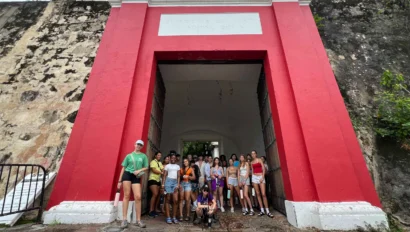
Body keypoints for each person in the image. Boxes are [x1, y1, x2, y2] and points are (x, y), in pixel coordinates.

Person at [118, 139, 148, 228]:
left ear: (142, 147)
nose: (138, 146)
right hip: (127, 175)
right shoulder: (129, 156)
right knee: (126, 196)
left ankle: (138, 220)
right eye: (137, 144)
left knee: (138, 197)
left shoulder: (143, 156)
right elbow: (123, 168)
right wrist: (119, 181)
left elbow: (146, 167)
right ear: (134, 145)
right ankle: (124, 219)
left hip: (136, 176)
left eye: (140, 145)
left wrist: (139, 170)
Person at [251, 150, 274, 218]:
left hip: (261, 176)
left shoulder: (259, 160)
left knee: (263, 194)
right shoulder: (252, 162)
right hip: (254, 177)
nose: (253, 155)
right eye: (252, 154)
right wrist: (252, 179)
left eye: (254, 153)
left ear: (256, 154)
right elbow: (252, 171)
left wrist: (262, 177)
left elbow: (263, 168)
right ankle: (262, 210)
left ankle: (267, 211)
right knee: (257, 194)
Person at [162, 154, 181, 224]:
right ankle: (168, 217)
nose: (173, 159)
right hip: (168, 182)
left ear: (176, 159)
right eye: (172, 158)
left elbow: (178, 176)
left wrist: (178, 184)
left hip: (175, 182)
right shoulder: (167, 166)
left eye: (174, 158)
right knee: (167, 199)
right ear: (170, 158)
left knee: (175, 200)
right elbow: (164, 175)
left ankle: (174, 217)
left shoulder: (178, 166)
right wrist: (163, 184)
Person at [148, 152, 163, 217]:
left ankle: (154, 209)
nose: (159, 156)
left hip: (158, 180)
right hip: (152, 179)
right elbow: (154, 170)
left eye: (160, 155)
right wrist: (161, 172)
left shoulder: (160, 163)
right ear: (155, 155)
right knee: (155, 194)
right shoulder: (153, 162)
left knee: (158, 195)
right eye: (158, 155)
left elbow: (163, 169)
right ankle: (150, 210)